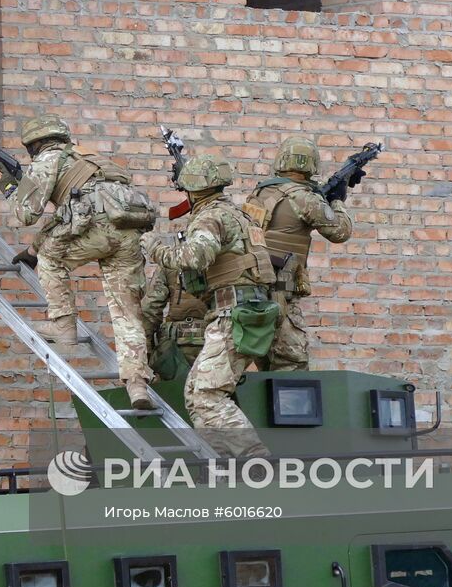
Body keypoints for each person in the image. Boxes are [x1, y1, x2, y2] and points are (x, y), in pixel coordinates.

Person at [6, 114, 157, 409]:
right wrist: (32, 250)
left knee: (51, 259)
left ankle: (64, 327)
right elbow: (67, 214)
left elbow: (26, 215)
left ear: (34, 144)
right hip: (128, 231)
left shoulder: (47, 159)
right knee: (128, 314)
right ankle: (138, 386)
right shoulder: (91, 160)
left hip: (95, 228)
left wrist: (12, 188)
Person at [141, 153, 279, 459]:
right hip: (245, 312)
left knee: (205, 395)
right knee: (196, 394)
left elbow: (194, 257)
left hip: (232, 314)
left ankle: (255, 459)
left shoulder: (210, 217)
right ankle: (221, 463)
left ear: (191, 190)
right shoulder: (241, 216)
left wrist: (155, 249)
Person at [242, 136, 354, 371]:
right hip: (281, 289)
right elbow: (341, 232)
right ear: (311, 165)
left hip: (251, 285)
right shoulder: (305, 198)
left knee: (264, 359)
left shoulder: (259, 194)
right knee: (292, 365)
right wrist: (337, 200)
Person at [140, 244, 210, 382]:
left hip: (175, 348)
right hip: (217, 343)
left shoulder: (173, 260)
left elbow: (150, 309)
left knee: (175, 398)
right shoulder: (229, 258)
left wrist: (145, 355)